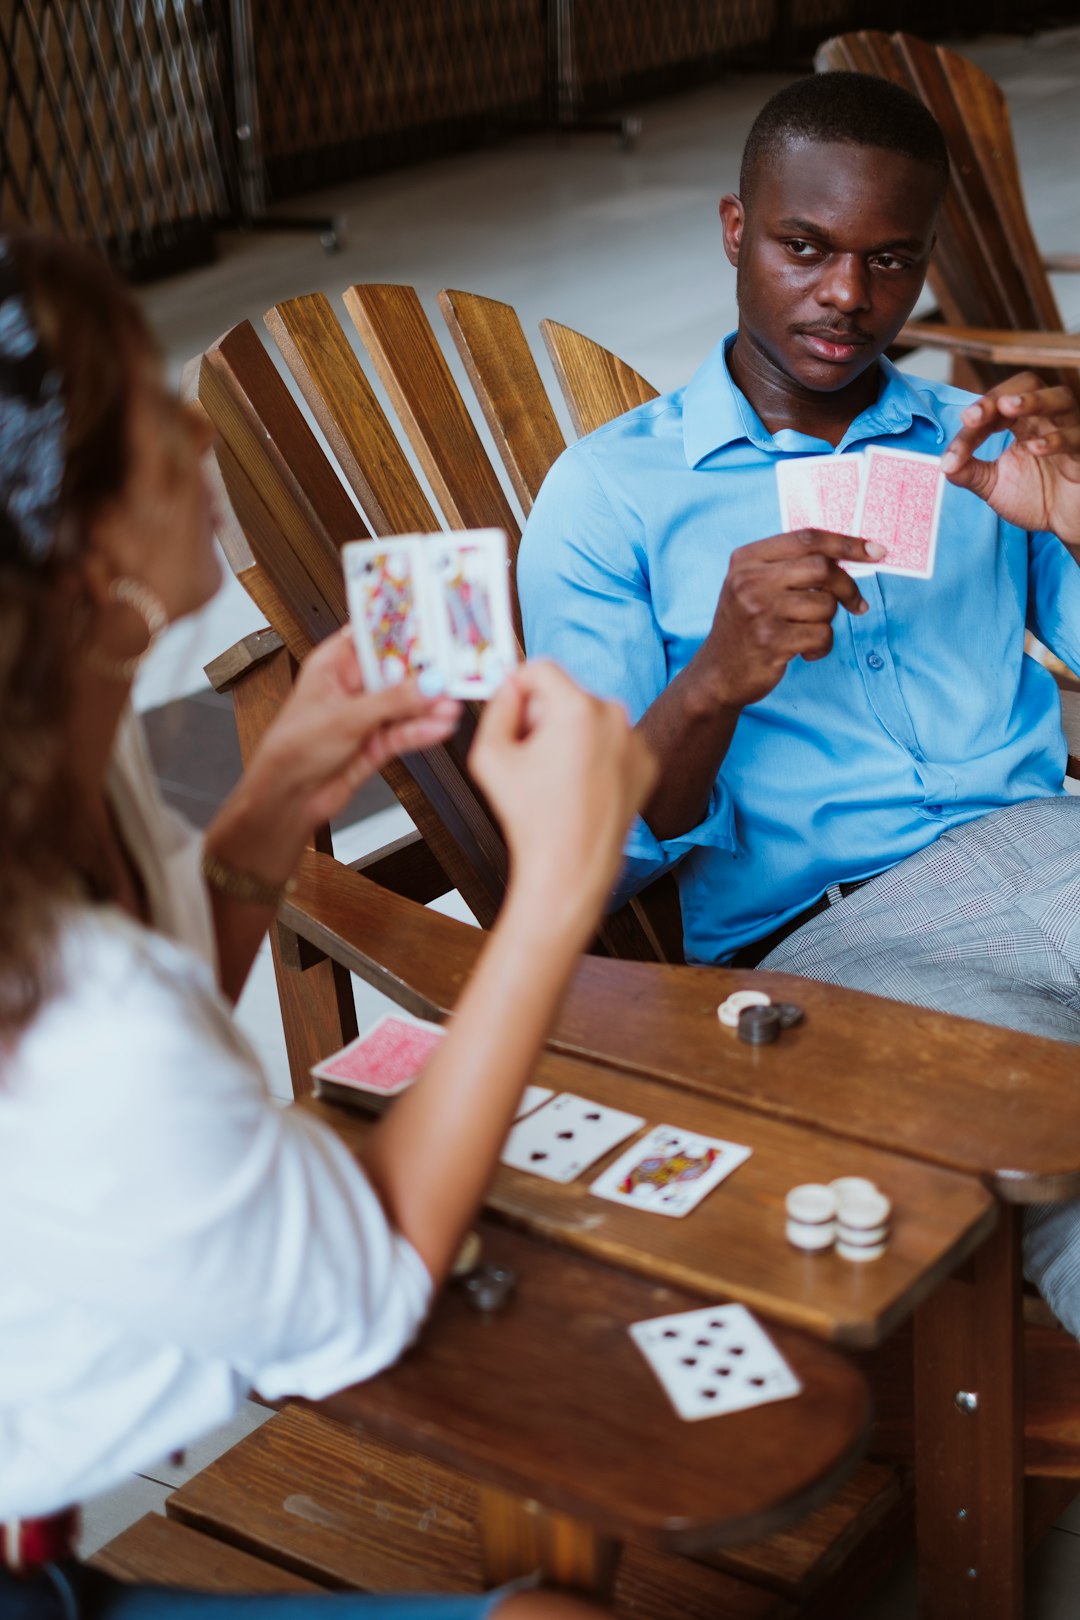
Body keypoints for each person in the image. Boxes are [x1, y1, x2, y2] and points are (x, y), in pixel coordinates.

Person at [0, 229, 656, 1620]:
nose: (197, 427)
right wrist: (554, 889)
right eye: (154, 416)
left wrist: (288, 781)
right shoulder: (90, 1019)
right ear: (90, 558)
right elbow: (373, 1285)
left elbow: (155, 1009)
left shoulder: (66, 761)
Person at [517, 73, 1080, 1328]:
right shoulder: (613, 497)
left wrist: (1077, 519)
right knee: (1060, 1157)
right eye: (806, 247)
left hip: (1054, 845)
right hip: (836, 945)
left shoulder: (976, 447)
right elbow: (582, 852)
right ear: (734, 230)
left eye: (890, 260)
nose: (847, 296)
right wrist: (716, 676)